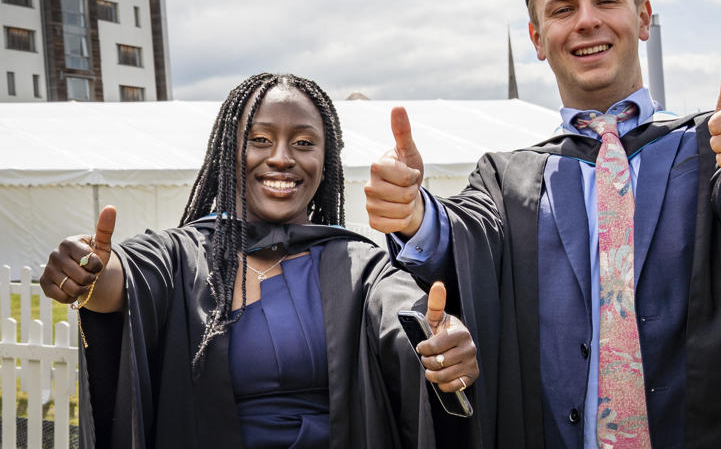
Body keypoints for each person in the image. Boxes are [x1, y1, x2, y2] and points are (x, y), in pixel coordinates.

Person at [365, 0, 721, 448]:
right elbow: (465, 237)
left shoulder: (715, 149)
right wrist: (415, 214)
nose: (586, 19)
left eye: (605, 0)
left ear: (642, 17)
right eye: (562, 8)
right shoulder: (511, 178)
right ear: (538, 38)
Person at [39, 73, 480, 449]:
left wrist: (443, 341)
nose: (282, 157)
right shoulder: (182, 254)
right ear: (228, 153)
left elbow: (404, 311)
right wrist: (85, 272)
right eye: (260, 140)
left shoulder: (357, 265)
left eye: (304, 142)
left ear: (325, 163)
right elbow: (123, 280)